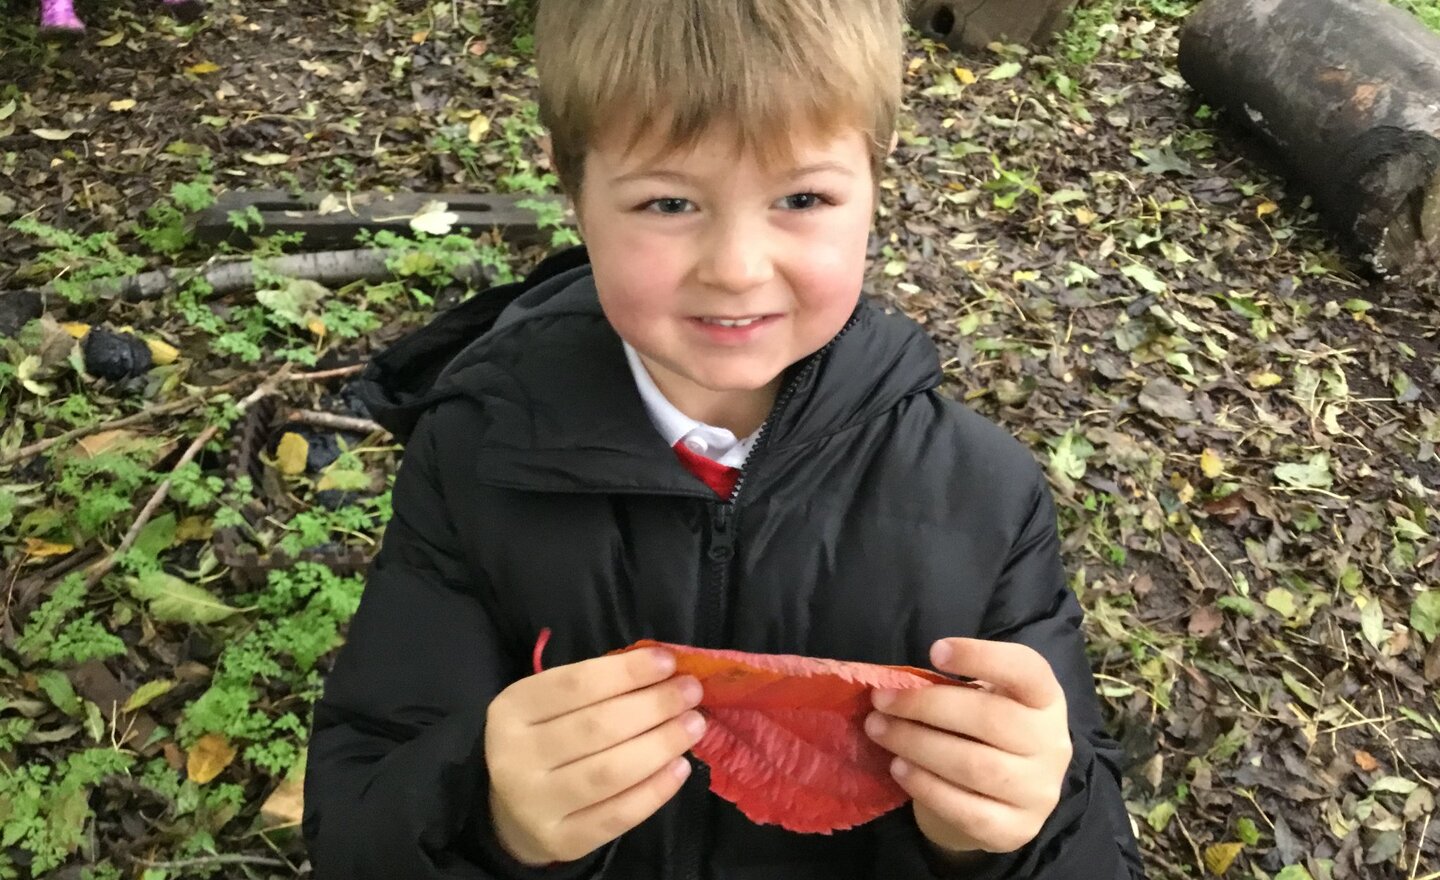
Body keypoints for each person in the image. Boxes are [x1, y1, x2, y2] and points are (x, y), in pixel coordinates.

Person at [301, 0, 1147, 877]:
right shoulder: (478, 462)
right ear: (573, 187)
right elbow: (359, 813)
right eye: (669, 201)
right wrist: (487, 818)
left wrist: (1012, 833)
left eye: (802, 197)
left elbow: (1092, 845)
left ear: (876, 177)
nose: (737, 267)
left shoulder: (984, 498)